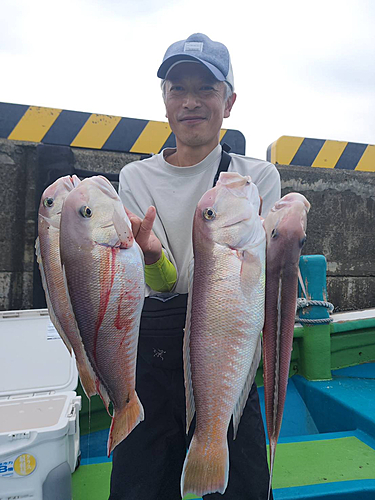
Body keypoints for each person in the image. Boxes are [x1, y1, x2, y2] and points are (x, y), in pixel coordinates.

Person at [110, 33, 280, 500]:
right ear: (164, 101)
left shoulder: (257, 177)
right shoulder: (135, 178)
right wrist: (151, 259)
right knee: (138, 485)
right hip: (156, 344)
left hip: (229, 338)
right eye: (177, 88)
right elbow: (164, 284)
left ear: (229, 102)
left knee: (241, 483)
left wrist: (291, 223)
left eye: (206, 89)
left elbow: (270, 275)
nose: (191, 101)